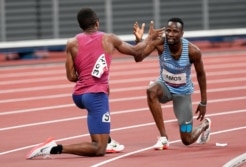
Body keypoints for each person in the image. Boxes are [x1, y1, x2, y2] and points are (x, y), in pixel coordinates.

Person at [25, 7, 163, 159]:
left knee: (105, 90)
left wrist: (86, 75)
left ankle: (107, 139)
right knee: (99, 148)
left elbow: (71, 76)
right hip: (95, 96)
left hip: (79, 95)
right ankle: (53, 148)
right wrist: (149, 38)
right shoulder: (109, 39)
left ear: (80, 26)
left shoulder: (72, 43)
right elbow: (137, 52)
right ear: (97, 23)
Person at [133, 17, 211, 150]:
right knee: (151, 90)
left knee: (187, 139)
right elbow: (138, 58)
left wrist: (203, 102)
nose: (170, 34)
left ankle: (205, 125)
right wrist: (140, 40)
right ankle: (163, 138)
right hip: (165, 87)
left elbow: (201, 75)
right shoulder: (160, 43)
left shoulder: (193, 51)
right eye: (168, 30)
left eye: (175, 31)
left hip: (183, 93)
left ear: (182, 34)